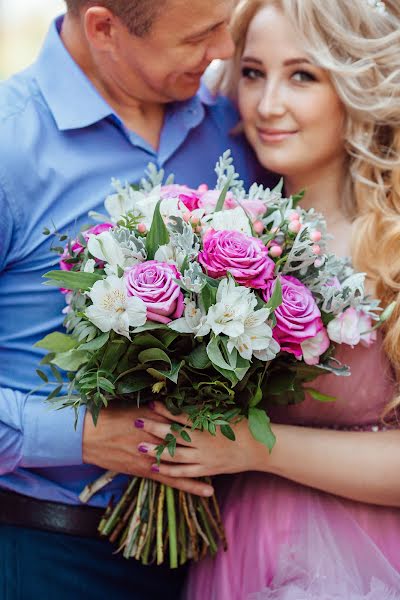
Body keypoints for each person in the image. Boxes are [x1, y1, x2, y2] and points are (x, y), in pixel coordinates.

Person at [0, 1, 270, 598]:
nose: (226, 49)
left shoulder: (236, 122)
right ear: (104, 29)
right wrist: (78, 435)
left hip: (225, 558)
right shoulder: (8, 145)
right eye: (200, 35)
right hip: (49, 557)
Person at [139, 0, 400, 597]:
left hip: (359, 562)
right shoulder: (214, 236)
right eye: (253, 73)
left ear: (355, 84)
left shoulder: (390, 246)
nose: (267, 104)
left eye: (302, 75)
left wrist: (253, 445)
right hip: (235, 551)